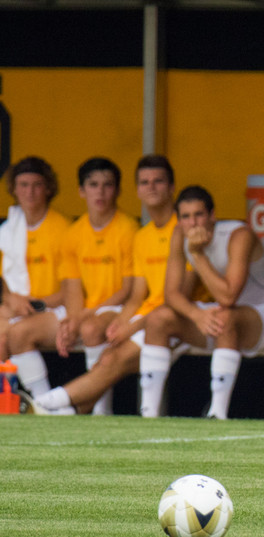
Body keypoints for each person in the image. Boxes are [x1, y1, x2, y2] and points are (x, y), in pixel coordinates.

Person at [33, 155, 179, 415]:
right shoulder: (143, 236)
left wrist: (128, 323)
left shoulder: (140, 229)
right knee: (19, 331)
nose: (152, 187)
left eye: (158, 181)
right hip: (143, 315)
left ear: (172, 187)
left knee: (100, 340)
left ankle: (57, 403)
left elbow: (167, 296)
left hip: (171, 319)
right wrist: (88, 319)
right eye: (145, 182)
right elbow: (137, 295)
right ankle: (60, 404)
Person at [137, 185, 264, 419]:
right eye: (186, 217)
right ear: (178, 221)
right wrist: (196, 315)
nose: (193, 223)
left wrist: (198, 255)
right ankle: (148, 412)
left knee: (224, 316)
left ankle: (217, 414)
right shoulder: (179, 234)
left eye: (199, 215)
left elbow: (228, 297)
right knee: (158, 317)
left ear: (212, 216)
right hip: (223, 319)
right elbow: (171, 294)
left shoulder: (238, 235)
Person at [8, 157, 136, 399]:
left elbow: (127, 291)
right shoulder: (75, 233)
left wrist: (79, 318)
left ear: (118, 190)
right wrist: (74, 318)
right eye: (93, 184)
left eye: (107, 185)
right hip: (79, 311)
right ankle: (43, 402)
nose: (100, 192)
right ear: (81, 191)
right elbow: (73, 288)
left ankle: (98, 407)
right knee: (13, 333)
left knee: (89, 328)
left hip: (117, 310)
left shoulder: (127, 229)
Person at [0, 157, 70, 361]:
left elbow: (70, 291)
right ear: (14, 189)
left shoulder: (63, 229)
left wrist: (33, 305)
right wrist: (11, 299)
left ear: (48, 188)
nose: (30, 192)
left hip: (54, 309)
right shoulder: (7, 231)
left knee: (11, 335)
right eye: (23, 185)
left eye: (37, 185)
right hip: (15, 307)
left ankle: (35, 393)